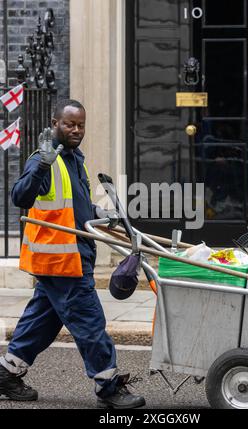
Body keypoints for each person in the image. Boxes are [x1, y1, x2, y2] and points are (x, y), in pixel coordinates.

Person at [0, 99, 146, 409]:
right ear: (55, 124)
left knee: (43, 319)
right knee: (89, 322)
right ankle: (107, 386)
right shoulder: (46, 158)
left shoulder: (74, 159)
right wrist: (42, 162)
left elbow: (73, 205)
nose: (76, 130)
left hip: (65, 258)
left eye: (81, 125)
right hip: (63, 261)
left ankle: (6, 372)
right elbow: (20, 196)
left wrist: (101, 213)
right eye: (69, 124)